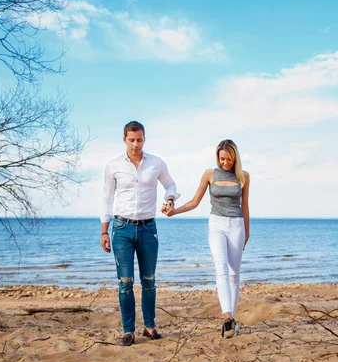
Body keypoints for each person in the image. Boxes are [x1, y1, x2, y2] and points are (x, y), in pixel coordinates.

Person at [100, 121, 179, 346]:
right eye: (131, 140)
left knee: (149, 280)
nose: (136, 144)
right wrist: (104, 231)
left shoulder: (156, 163)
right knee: (125, 282)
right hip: (122, 229)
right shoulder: (113, 166)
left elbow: (170, 185)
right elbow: (106, 199)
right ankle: (128, 331)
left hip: (148, 228)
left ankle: (150, 326)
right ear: (124, 140)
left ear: (144, 139)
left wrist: (170, 199)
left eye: (140, 139)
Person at [163, 139, 250, 338]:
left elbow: (245, 206)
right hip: (216, 225)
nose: (225, 163)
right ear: (217, 157)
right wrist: (174, 211)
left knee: (234, 274)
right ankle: (227, 316)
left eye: (229, 159)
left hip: (236, 225)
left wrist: (247, 231)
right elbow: (195, 201)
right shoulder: (210, 174)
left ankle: (232, 323)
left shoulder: (243, 177)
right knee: (221, 267)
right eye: (222, 159)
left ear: (235, 157)